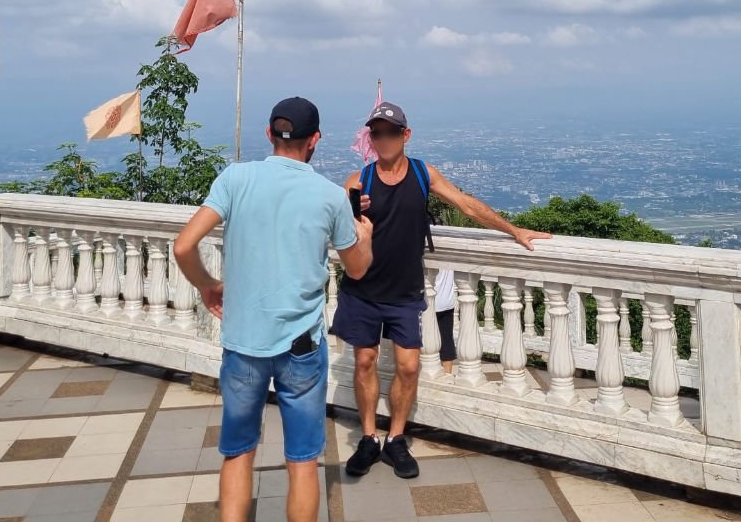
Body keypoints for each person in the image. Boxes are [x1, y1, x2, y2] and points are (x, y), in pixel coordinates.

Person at [173, 97, 374, 522]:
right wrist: (366, 237)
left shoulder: (235, 178)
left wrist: (208, 286)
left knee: (238, 453)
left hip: (243, 341)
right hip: (301, 346)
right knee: (302, 461)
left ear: (269, 133)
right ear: (315, 140)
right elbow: (356, 269)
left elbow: (183, 245)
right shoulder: (329, 196)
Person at [332, 101, 551, 479]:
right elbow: (336, 227)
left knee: (409, 366)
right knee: (364, 362)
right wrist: (351, 212)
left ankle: (396, 438)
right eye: (377, 133)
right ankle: (368, 438)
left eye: (391, 132)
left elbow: (466, 205)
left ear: (406, 135)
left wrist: (514, 230)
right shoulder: (358, 181)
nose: (384, 139)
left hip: (404, 291)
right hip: (362, 290)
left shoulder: (422, 173)